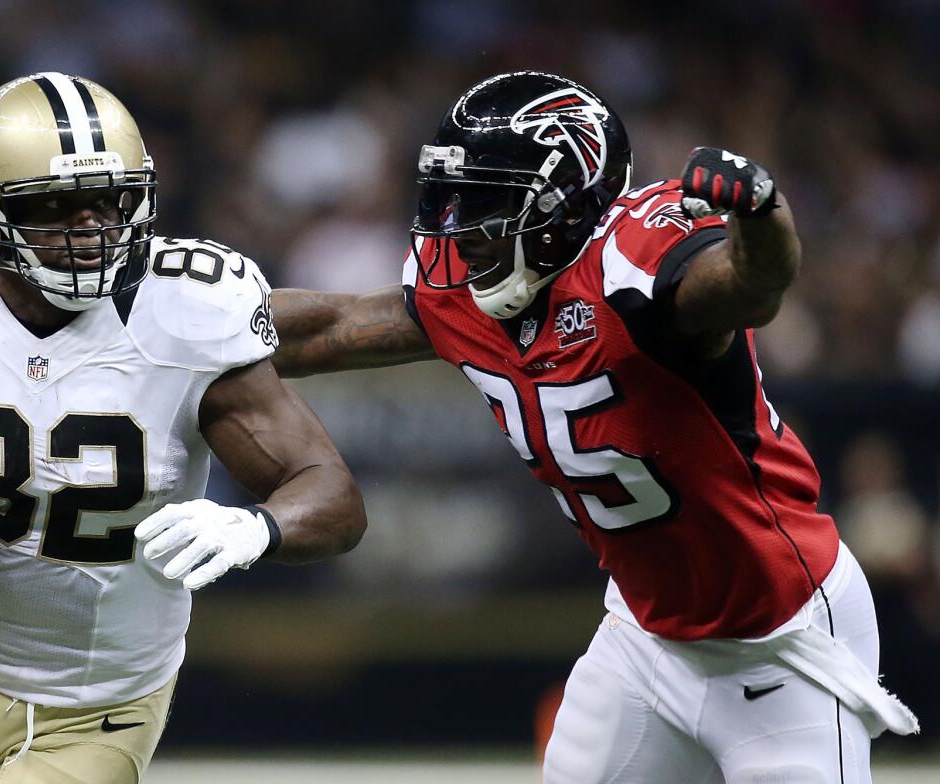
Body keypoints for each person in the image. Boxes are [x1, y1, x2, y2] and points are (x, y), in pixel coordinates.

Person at [271, 70, 917, 783]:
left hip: (782, 636)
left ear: (564, 206)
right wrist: (177, 318)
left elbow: (751, 285)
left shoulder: (634, 274)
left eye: (488, 203)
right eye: (456, 199)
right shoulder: (460, 289)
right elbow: (330, 327)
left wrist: (763, 216)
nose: (460, 229)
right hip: (645, 637)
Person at [0, 72, 366, 784]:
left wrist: (255, 529)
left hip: (96, 709)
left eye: (108, 201)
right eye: (56, 205)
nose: (89, 229)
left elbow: (331, 496)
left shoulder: (187, 311)